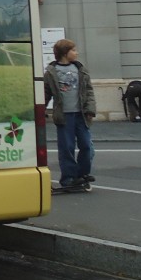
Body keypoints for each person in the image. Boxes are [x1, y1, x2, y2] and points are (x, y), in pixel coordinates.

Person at [43, 39, 96, 190]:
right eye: (73, 50)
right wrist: (41, 110)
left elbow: (89, 91)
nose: (76, 53)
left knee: (87, 146)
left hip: (81, 115)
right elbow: (46, 93)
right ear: (64, 53)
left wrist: (90, 109)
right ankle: (68, 178)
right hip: (64, 116)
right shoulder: (51, 72)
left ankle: (82, 173)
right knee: (67, 147)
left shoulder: (80, 69)